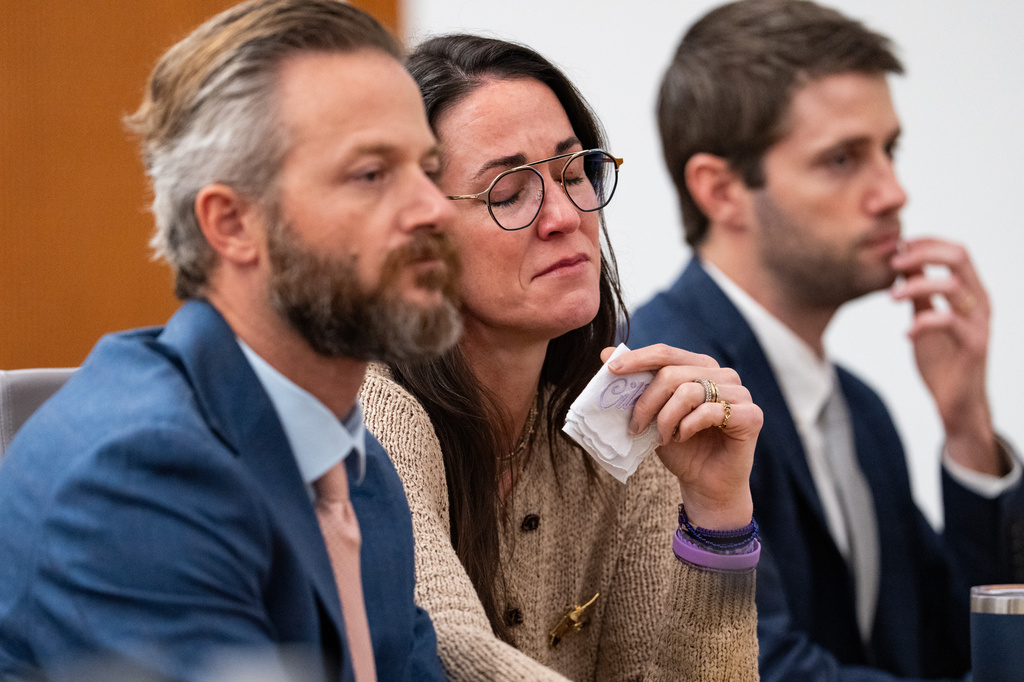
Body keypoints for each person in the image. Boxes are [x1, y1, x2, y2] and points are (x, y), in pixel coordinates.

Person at [0, 1, 458, 679]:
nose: (435, 207)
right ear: (233, 223)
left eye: (429, 167)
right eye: (371, 173)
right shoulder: (136, 476)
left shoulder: (357, 466)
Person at [629, 1, 1024, 680]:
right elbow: (758, 667)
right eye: (842, 159)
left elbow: (959, 650)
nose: (893, 192)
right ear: (720, 190)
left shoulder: (861, 410)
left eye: (888, 150)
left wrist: (967, 428)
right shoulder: (661, 379)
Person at [358, 34, 761, 681]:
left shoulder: (622, 422)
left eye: (574, 175)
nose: (564, 216)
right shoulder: (370, 410)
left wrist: (717, 514)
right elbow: (449, 654)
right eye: (509, 192)